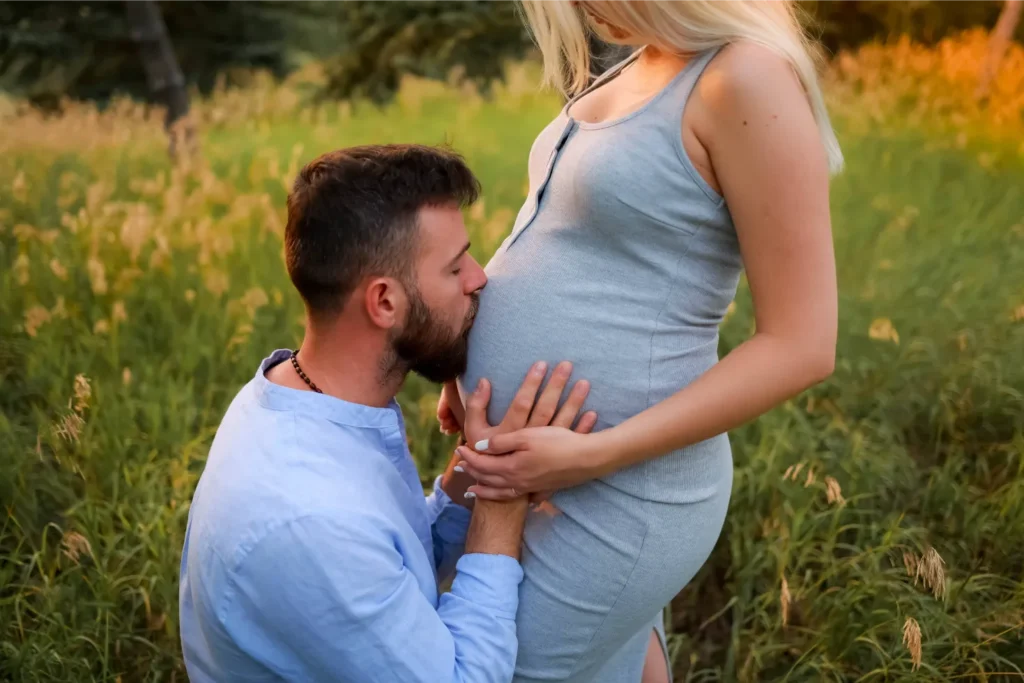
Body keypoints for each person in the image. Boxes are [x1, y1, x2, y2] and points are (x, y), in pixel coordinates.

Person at [438, 1, 841, 680]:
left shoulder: (744, 78)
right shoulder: (642, 61)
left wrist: (593, 454)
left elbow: (802, 344)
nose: (583, 11)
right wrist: (463, 364)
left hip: (622, 485)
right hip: (539, 465)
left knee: (504, 668)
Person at [178, 144, 597, 683]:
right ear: (384, 303)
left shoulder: (303, 402)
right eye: (454, 268)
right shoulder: (311, 520)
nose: (478, 278)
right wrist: (502, 502)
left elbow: (390, 555)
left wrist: (473, 475)